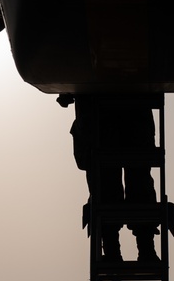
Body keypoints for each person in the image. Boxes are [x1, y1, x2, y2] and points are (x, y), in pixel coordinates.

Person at [59, 94, 158, 262]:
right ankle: (138, 249)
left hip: (107, 118)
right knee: (127, 183)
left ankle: (127, 250)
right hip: (123, 115)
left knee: (114, 184)